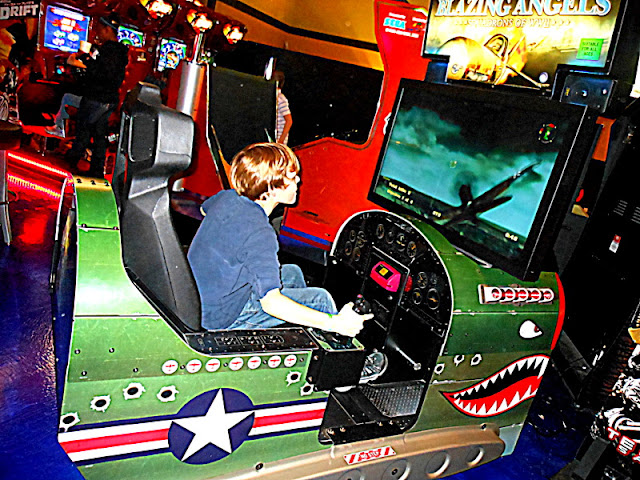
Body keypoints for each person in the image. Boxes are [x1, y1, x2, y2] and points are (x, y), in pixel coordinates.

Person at [187, 143, 371, 336]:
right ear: (271, 189)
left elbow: (204, 210)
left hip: (200, 292)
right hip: (221, 316)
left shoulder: (227, 197)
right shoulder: (260, 233)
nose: (298, 180)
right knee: (320, 299)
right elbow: (271, 303)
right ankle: (331, 345)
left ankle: (297, 331)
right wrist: (336, 323)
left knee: (293, 273)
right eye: (292, 177)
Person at [64, 16, 128, 177]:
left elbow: (100, 73)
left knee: (84, 131)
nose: (98, 33)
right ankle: (96, 170)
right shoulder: (120, 51)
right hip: (110, 99)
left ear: (107, 30)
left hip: (97, 97)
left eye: (100, 29)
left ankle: (69, 165)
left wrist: (84, 61)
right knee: (99, 135)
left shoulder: (107, 50)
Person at [273, 70, 292, 145]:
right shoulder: (273, 97)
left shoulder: (280, 98)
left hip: (278, 140)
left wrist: (281, 140)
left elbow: (289, 121)